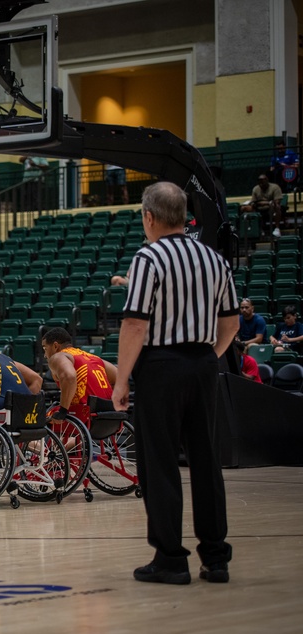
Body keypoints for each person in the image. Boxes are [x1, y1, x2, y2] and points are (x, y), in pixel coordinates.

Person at [112, 181, 239, 585]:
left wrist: (122, 379)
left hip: (161, 367)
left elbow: (134, 324)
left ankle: (171, 558)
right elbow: (232, 323)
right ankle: (215, 558)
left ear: (149, 217)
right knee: (206, 461)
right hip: (203, 363)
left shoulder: (149, 258)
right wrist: (207, 358)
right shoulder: (214, 259)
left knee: (160, 462)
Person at [40, 327, 117, 423]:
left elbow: (69, 376)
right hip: (110, 412)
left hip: (85, 413)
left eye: (45, 348)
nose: (44, 355)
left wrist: (63, 410)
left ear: (55, 346)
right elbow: (118, 378)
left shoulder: (58, 356)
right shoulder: (92, 357)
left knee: (47, 415)